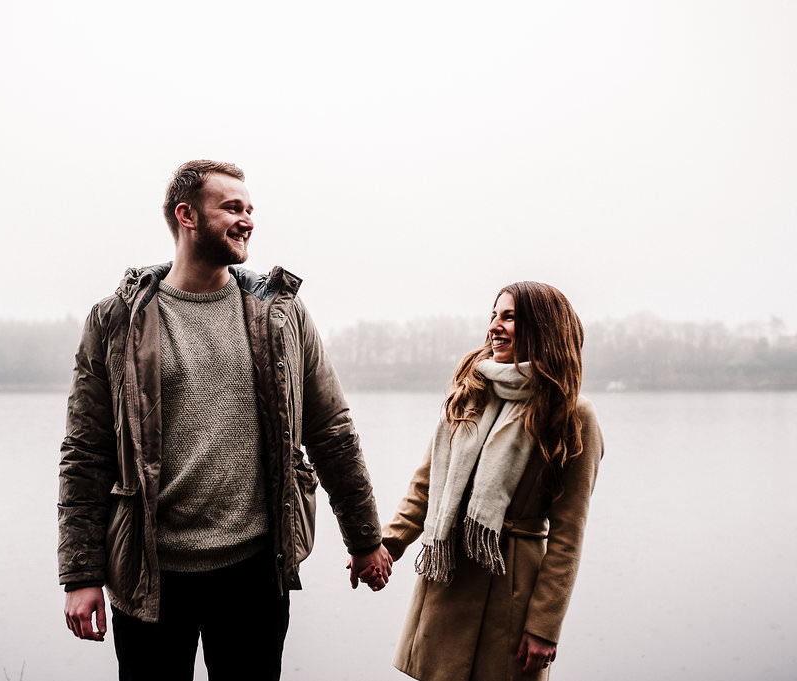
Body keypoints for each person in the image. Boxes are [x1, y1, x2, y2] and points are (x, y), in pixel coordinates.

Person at [58, 160, 391, 680]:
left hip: (255, 574)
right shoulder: (116, 321)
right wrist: (80, 574)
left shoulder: (279, 314)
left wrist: (365, 538)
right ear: (187, 216)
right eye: (232, 208)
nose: (247, 220)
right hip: (149, 577)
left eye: (250, 209)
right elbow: (87, 451)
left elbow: (331, 431)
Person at [380, 281, 604, 681]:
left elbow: (569, 533)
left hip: (512, 594)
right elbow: (427, 486)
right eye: (493, 316)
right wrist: (387, 545)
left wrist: (544, 626)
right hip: (448, 577)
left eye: (510, 317)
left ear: (543, 327)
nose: (494, 327)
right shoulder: (470, 393)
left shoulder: (572, 414)